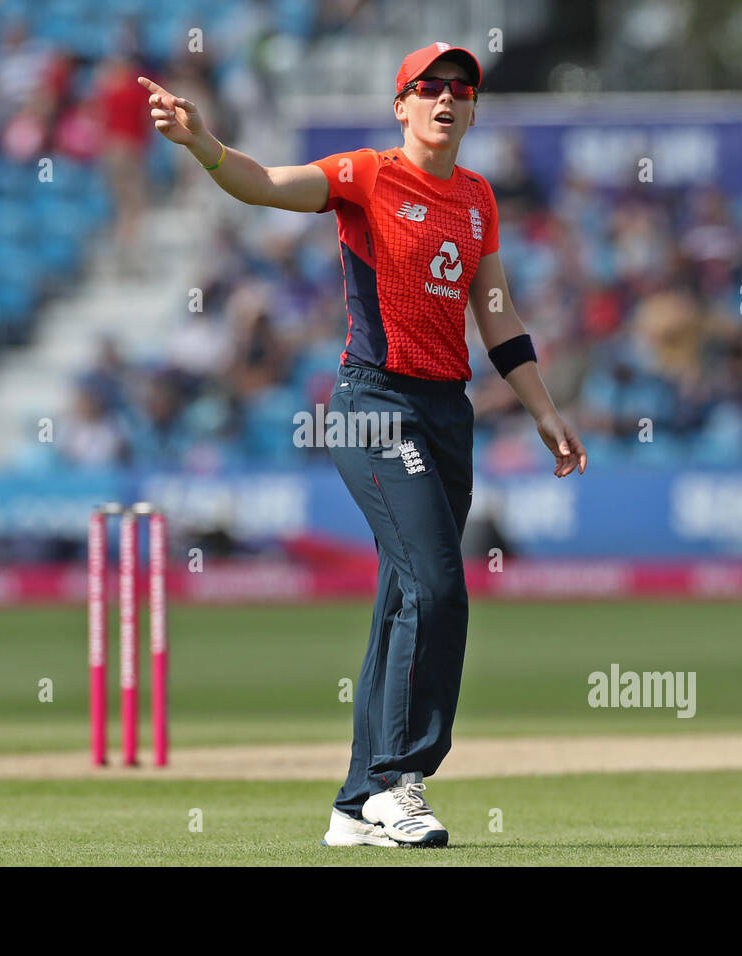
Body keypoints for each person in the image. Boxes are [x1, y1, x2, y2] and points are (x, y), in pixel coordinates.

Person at [139, 42, 587, 848]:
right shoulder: (367, 175)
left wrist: (544, 410)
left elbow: (499, 316)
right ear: (401, 105)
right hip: (372, 405)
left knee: (403, 597)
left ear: (474, 110)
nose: (446, 99)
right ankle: (398, 780)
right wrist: (203, 145)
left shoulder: (479, 199)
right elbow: (267, 185)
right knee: (441, 588)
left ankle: (355, 803)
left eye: (461, 89)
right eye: (429, 88)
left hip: (448, 414)